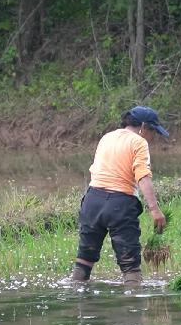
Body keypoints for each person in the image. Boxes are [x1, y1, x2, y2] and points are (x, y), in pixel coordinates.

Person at [69, 106, 170, 292]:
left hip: (92, 202)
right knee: (130, 264)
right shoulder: (139, 142)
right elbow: (142, 176)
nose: (153, 137)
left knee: (84, 259)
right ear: (143, 127)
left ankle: (79, 306)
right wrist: (154, 209)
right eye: (153, 131)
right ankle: (133, 309)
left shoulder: (107, 137)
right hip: (120, 204)